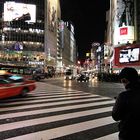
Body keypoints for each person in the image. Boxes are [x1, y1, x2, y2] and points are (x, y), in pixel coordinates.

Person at [112, 67, 140, 140]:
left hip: (128, 134)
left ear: (124, 80)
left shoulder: (123, 96)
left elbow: (115, 116)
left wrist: (119, 102)